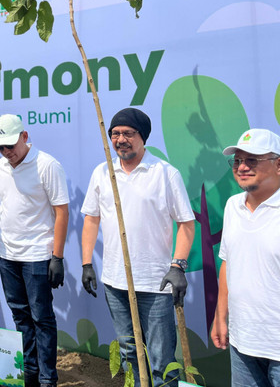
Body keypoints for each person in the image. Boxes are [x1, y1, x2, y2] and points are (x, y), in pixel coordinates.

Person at [80, 108, 195, 387]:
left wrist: (177, 265)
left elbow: (186, 224)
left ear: (143, 137)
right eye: (115, 134)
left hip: (155, 284)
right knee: (130, 351)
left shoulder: (165, 173)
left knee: (161, 359)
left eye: (128, 133)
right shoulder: (102, 172)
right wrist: (86, 263)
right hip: (114, 281)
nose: (121, 139)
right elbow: (91, 220)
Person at [0, 114, 69, 387]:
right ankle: (30, 373)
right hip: (6, 255)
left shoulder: (47, 165)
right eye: (0, 148)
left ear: (24, 136)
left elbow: (61, 211)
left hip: (36, 256)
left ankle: (48, 379)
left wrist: (57, 256)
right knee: (20, 316)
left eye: (10, 145)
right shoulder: (0, 167)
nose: (6, 152)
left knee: (41, 318)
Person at [211, 128, 280, 387]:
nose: (242, 167)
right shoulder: (233, 206)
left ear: (278, 165)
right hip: (243, 343)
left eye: (252, 160)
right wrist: (220, 316)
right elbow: (228, 263)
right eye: (237, 161)